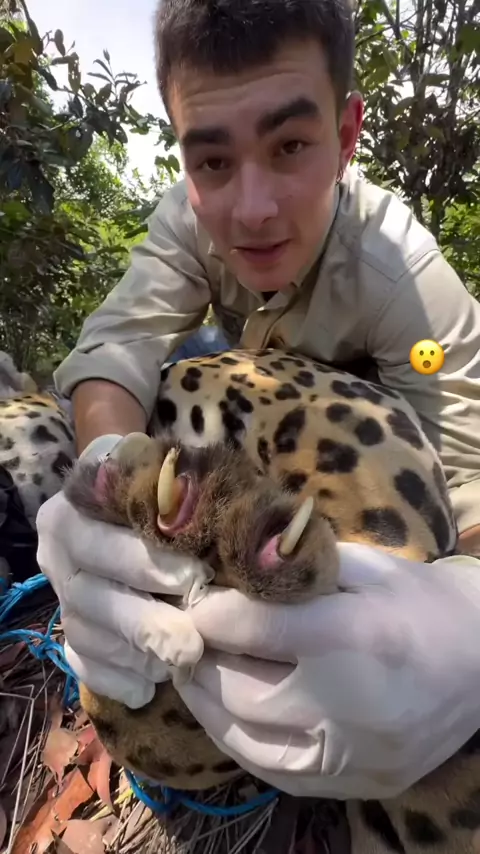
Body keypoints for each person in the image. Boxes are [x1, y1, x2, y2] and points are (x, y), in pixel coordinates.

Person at [36, 0, 480, 803]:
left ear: (347, 134)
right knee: (190, 364)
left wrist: (467, 611)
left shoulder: (404, 279)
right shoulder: (188, 223)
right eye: (212, 160)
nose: (251, 209)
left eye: (291, 146)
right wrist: (105, 474)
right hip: (248, 455)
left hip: (357, 489)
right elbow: (116, 348)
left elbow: (468, 465)